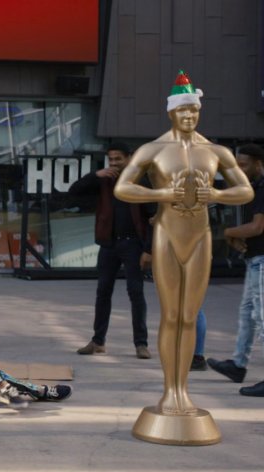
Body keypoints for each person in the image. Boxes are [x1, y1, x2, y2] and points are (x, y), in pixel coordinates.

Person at [115, 70, 253, 414]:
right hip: (167, 234)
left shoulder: (215, 151)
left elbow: (245, 189)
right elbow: (122, 187)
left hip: (200, 236)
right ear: (171, 112)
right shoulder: (154, 149)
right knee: (171, 314)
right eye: (183, 110)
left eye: (194, 110)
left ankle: (183, 391)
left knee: (189, 316)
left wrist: (217, 193)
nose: (189, 116)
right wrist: (162, 192)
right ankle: (169, 392)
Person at [69, 142, 153, 359]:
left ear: (129, 158)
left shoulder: (140, 180)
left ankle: (141, 344)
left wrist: (148, 249)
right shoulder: (104, 181)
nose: (114, 163)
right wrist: (95, 175)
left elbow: (153, 217)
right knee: (103, 291)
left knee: (136, 293)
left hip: (133, 244)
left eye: (118, 159)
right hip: (109, 244)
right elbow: (73, 191)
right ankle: (98, 341)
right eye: (111, 159)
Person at [207, 143, 264, 396]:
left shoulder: (262, 188)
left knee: (261, 317)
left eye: (244, 165)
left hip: (262, 259)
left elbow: (256, 227)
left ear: (258, 163)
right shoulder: (254, 188)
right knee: (248, 314)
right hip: (255, 258)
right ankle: (238, 365)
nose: (239, 170)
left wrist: (227, 233)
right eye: (237, 165)